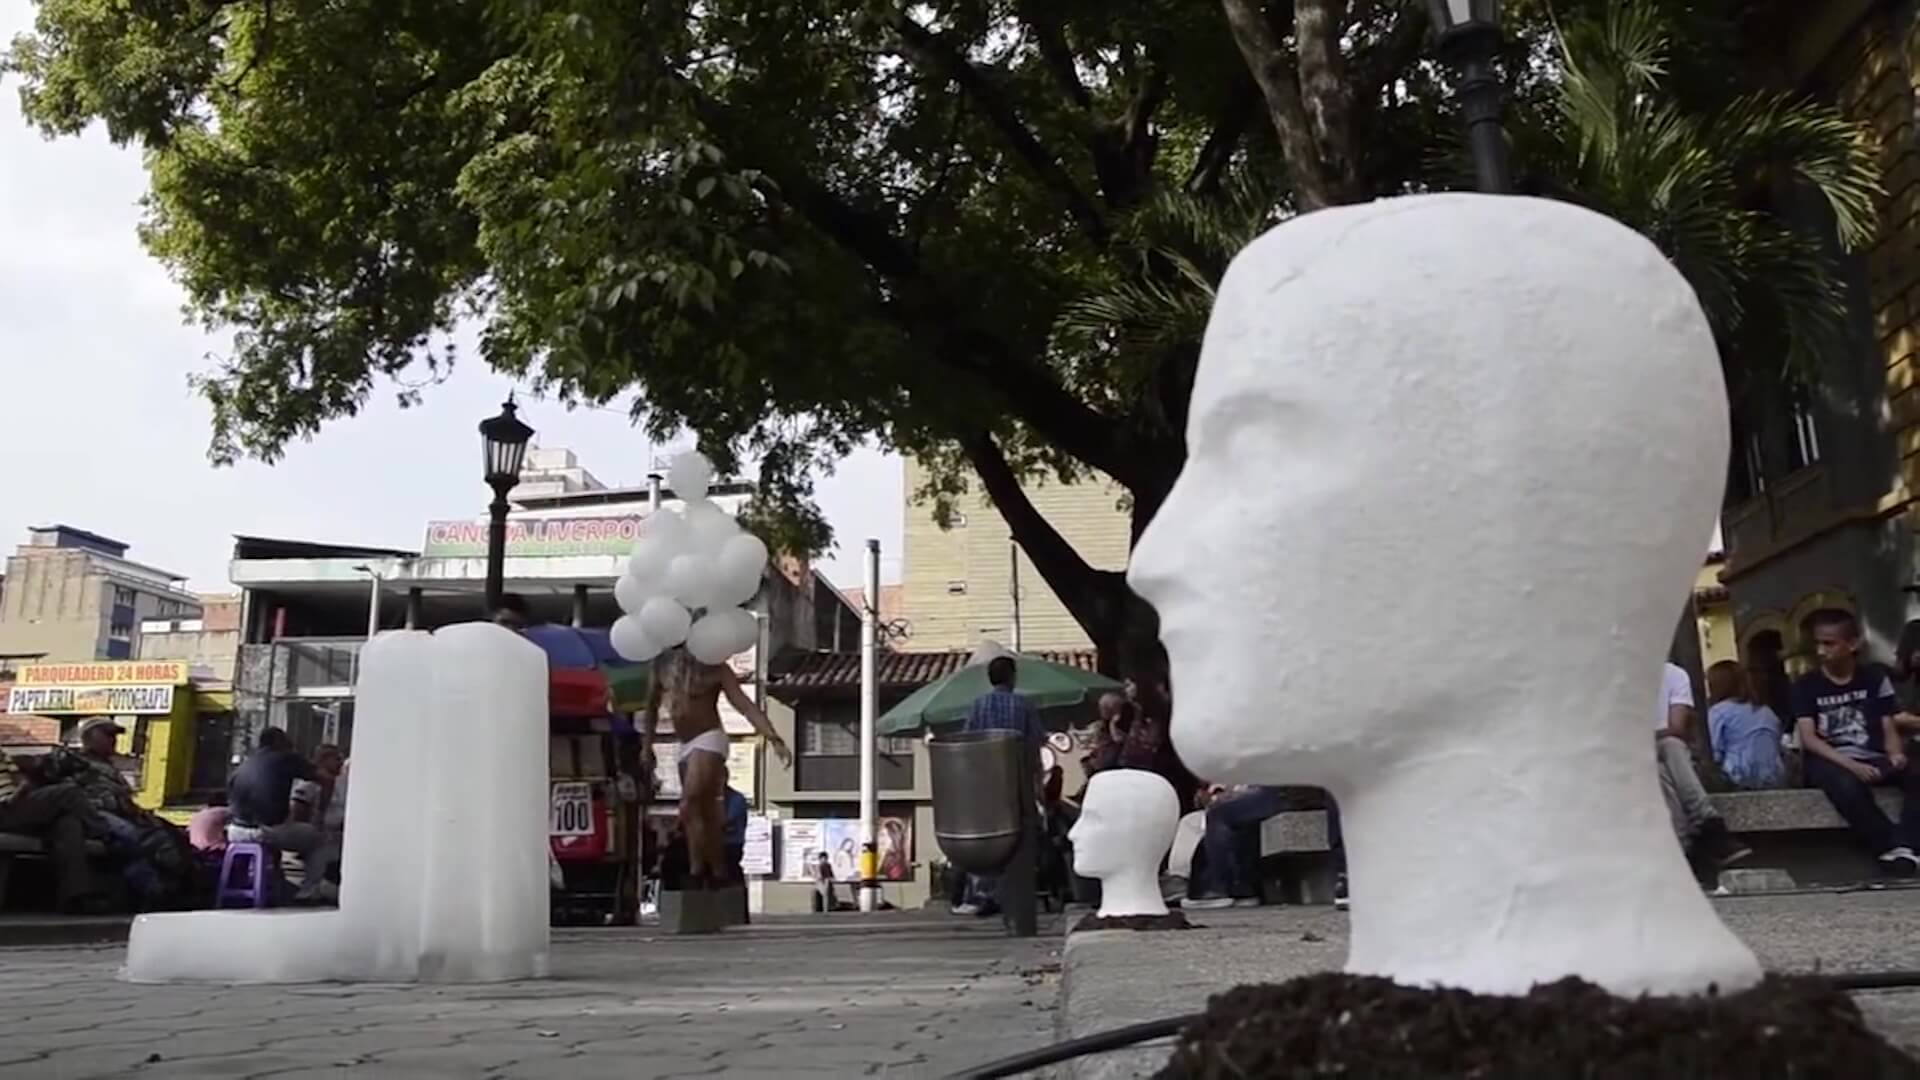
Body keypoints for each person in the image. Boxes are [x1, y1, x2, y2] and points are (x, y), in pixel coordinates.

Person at [643, 646, 792, 891]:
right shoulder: (661, 665)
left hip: (709, 738)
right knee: (703, 812)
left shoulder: (716, 669)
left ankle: (697, 870)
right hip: (685, 744)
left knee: (690, 803)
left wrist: (773, 737)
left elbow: (745, 705)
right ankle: (717, 871)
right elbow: (650, 708)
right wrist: (646, 746)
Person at [1791, 610, 1920, 875]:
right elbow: (1809, 739)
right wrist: (1851, 765)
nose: (1821, 651)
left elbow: (1887, 721)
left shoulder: (1873, 678)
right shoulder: (1806, 685)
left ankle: (1908, 845)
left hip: (1873, 754)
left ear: (1852, 644)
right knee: (1846, 787)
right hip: (1829, 758)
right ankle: (1892, 847)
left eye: (1829, 643)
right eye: (1818, 643)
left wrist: (1894, 751)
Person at [42, 717, 193, 907]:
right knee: (136, 840)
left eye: (114, 735)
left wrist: (139, 812)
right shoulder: (72, 761)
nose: (113, 739)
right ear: (88, 737)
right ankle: (157, 893)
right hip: (94, 816)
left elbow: (125, 800)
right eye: (107, 734)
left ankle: (170, 889)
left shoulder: (110, 768)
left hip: (122, 817)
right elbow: (56, 783)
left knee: (169, 836)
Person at [954, 656, 1044, 916]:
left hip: (985, 781)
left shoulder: (978, 706)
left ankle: (984, 893)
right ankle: (1016, 890)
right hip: (1017, 778)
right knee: (1019, 835)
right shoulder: (1024, 705)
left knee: (987, 837)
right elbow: (1035, 744)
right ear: (1012, 676)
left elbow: (968, 743)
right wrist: (1036, 780)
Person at [1654, 661, 1751, 869]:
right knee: (1665, 753)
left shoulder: (1674, 674)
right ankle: (1707, 823)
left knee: (1664, 762)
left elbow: (1677, 727)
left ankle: (1687, 847)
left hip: (1664, 757)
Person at [0, 750, 110, 913]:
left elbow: (18, 781)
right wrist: (16, 795)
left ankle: (75, 897)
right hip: (5, 809)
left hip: (18, 806)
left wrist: (29, 782)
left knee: (68, 824)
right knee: (69, 792)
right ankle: (107, 834)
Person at [227, 728, 330, 900]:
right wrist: (321, 812)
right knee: (318, 839)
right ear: (280, 743)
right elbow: (326, 778)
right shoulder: (285, 758)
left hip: (236, 831)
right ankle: (309, 892)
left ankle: (270, 882)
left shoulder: (244, 764)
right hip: (264, 831)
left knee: (277, 832)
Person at [1186, 784, 1287, 909]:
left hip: (1284, 792)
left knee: (1218, 814)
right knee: (1240, 821)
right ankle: (1242, 889)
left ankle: (1217, 887)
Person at [1706, 660, 1785, 790]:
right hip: (1773, 777)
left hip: (1736, 776)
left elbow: (1714, 752)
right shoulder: (1767, 712)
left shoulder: (1719, 712)